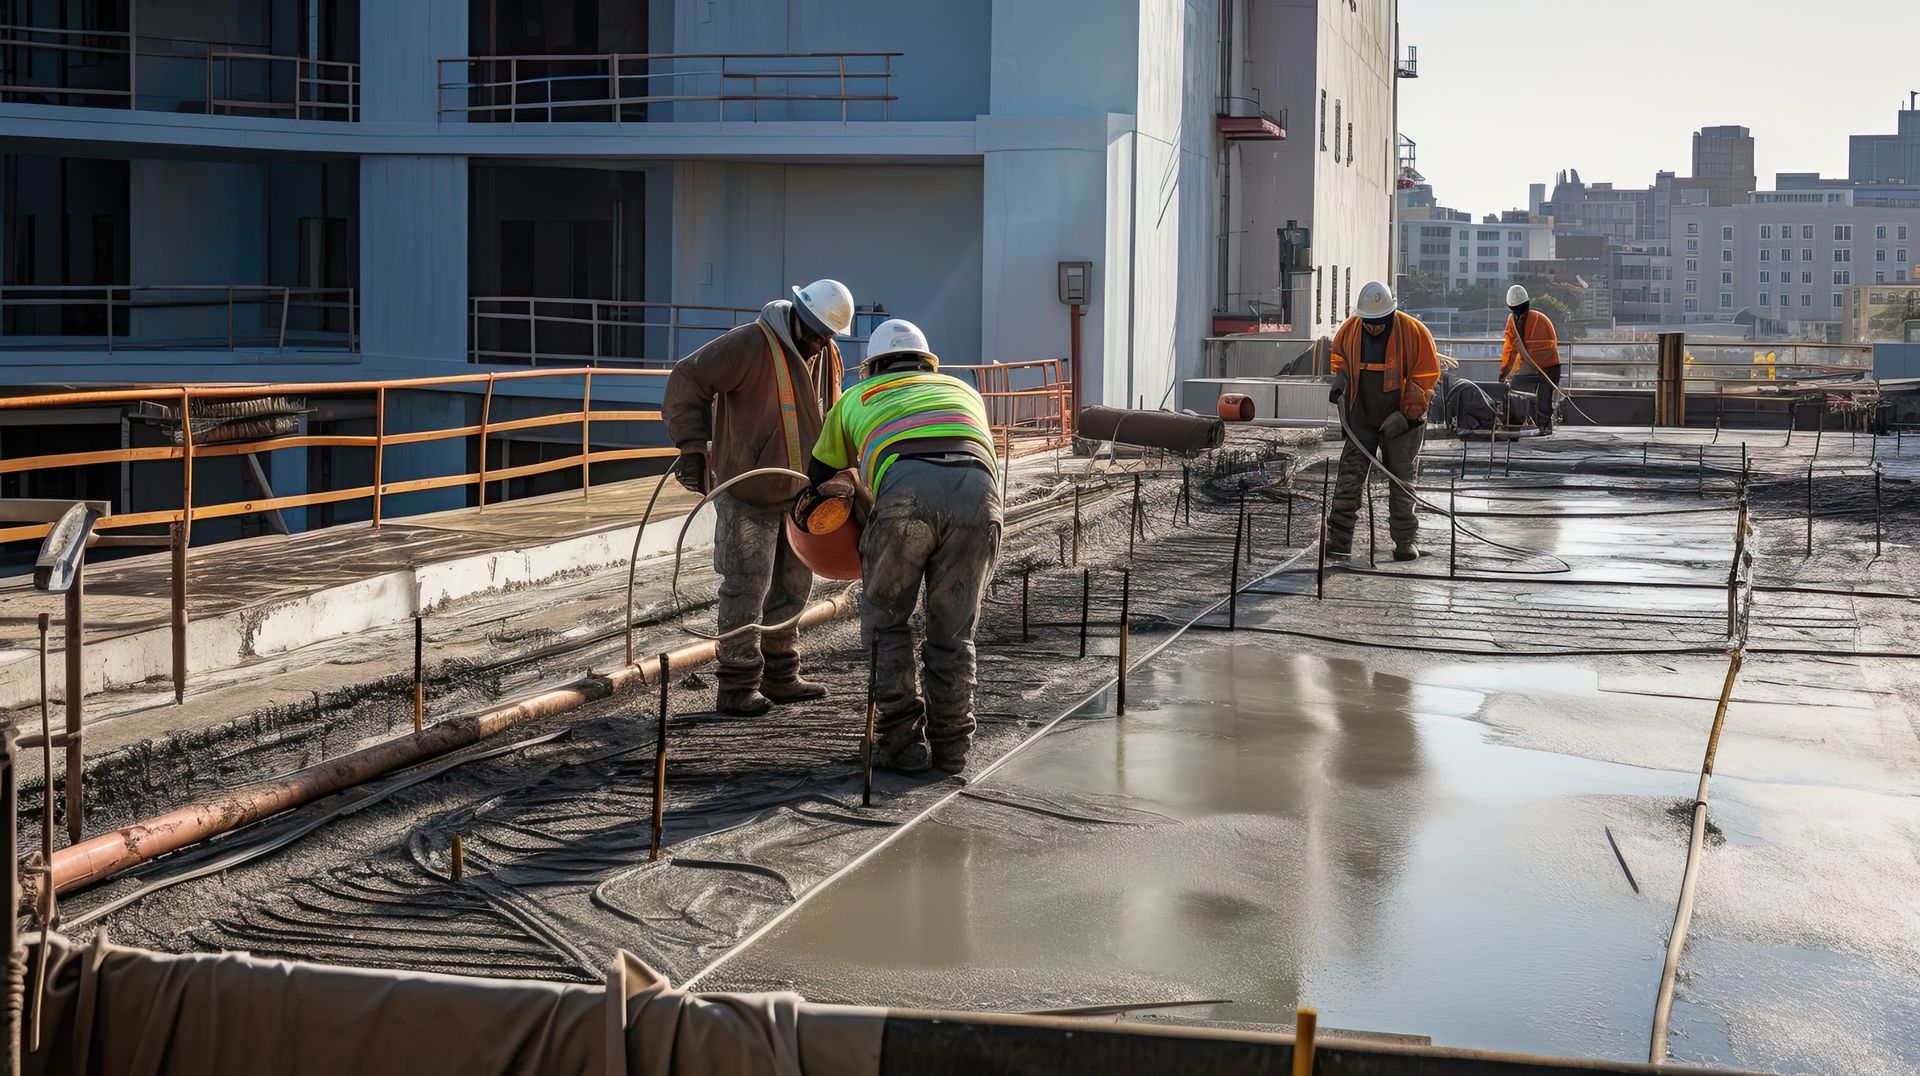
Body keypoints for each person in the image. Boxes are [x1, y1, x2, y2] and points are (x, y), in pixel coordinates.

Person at [800, 319, 1001, 775]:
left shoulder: (855, 397)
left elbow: (816, 481)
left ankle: (900, 743)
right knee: (953, 633)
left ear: (872, 367)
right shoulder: (963, 389)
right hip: (979, 497)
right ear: (928, 364)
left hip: (906, 497)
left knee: (886, 623)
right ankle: (952, 749)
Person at [664, 279, 854, 716]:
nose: (821, 344)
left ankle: (781, 675)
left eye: (828, 337)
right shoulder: (749, 344)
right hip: (748, 491)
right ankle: (737, 683)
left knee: (793, 586)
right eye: (817, 334)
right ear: (799, 318)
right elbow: (688, 378)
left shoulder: (826, 352)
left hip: (802, 493)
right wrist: (692, 446)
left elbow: (833, 411)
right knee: (746, 587)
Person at [1326, 280, 1440, 561]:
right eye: (1369, 321)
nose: (1374, 327)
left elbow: (1424, 380)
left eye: (1380, 321)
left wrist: (1405, 416)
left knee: (1401, 482)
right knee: (1349, 480)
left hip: (1401, 421)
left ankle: (1404, 541)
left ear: (1391, 314)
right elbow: (1340, 360)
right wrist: (1340, 380)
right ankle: (1339, 541)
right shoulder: (1350, 331)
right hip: (1361, 417)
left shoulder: (1414, 333)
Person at [1500, 284, 1563, 434]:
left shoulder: (1515, 322)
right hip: (1549, 368)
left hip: (1541, 369)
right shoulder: (1541, 319)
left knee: (1520, 392)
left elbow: (1510, 352)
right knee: (1542, 397)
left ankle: (1515, 424)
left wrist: (1503, 375)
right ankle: (1543, 425)